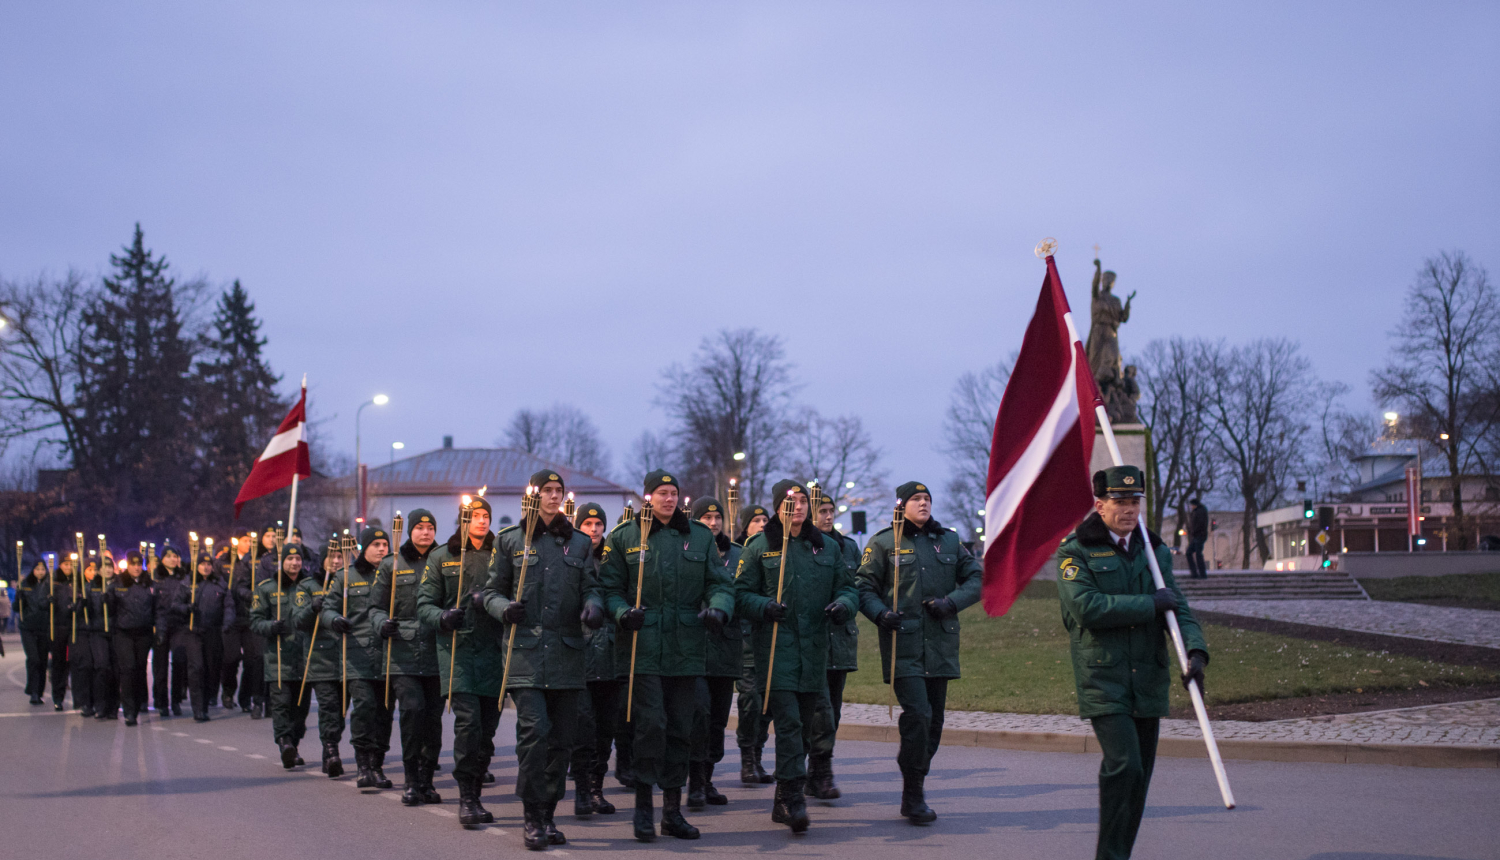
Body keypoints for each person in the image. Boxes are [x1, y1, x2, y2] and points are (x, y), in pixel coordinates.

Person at [1056, 465, 1209, 860]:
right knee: (1124, 766)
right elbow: (1088, 608)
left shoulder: (1154, 551)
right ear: (1100, 505)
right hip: (1103, 677)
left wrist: (1196, 651)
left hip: (1148, 676)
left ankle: (1118, 854)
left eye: (1135, 502)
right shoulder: (1076, 551)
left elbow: (1177, 607)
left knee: (1139, 779)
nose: (1129, 510)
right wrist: (1148, 605)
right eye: (1120, 502)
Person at [600, 469, 734, 842]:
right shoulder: (625, 536)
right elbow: (610, 587)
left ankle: (672, 811)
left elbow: (719, 584)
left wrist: (718, 609)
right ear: (648, 497)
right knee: (650, 727)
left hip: (687, 649)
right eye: (661, 492)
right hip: (642, 650)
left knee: (681, 728)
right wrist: (622, 614)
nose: (669, 498)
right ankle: (644, 806)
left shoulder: (699, 537)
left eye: (673, 492)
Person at [482, 470, 604, 849]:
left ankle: (549, 813)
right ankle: (532, 815)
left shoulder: (579, 544)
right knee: (535, 734)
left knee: (562, 741)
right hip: (526, 657)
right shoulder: (510, 542)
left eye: (559, 491)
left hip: (567, 657)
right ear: (535, 496)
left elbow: (593, 588)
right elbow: (489, 592)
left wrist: (594, 607)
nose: (553, 496)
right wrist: (504, 609)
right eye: (547, 490)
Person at [855, 481, 982, 824]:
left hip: (940, 645)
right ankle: (913, 794)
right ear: (902, 504)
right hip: (903, 647)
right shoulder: (884, 542)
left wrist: (951, 603)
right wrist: (880, 614)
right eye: (916, 499)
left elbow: (977, 579)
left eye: (927, 498)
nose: (924, 503)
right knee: (918, 715)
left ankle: (915, 778)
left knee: (935, 723)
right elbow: (863, 586)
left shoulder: (950, 541)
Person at [735, 479, 858, 832]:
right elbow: (741, 593)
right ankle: (793, 799)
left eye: (804, 501)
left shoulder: (826, 548)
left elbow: (848, 588)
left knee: (805, 728)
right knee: (788, 725)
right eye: (791, 502)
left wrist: (843, 606)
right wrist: (764, 607)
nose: (799, 507)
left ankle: (781, 801)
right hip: (776, 652)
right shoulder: (760, 547)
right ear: (778, 508)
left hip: (814, 652)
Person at [416, 495, 500, 829]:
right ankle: (467, 797)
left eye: (485, 515)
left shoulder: (502, 553)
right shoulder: (442, 556)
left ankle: (477, 789)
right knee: (468, 724)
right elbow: (424, 604)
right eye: (474, 515)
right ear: (463, 520)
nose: (481, 521)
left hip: (495, 651)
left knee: (488, 730)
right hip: (458, 651)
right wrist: (443, 617)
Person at [371, 509, 444, 807]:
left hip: (438, 652)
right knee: (412, 712)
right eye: (420, 528)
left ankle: (427, 780)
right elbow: (375, 607)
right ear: (409, 531)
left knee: (433, 720)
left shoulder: (445, 560)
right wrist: (381, 624)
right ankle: (411, 780)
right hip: (403, 654)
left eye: (430, 527)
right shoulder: (391, 565)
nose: (425, 533)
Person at [320, 525, 395, 790]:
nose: (382, 549)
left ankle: (377, 764)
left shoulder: (395, 574)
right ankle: (363, 765)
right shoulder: (346, 577)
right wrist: (335, 620)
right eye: (376, 545)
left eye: (385, 545)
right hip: (356, 653)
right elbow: (327, 609)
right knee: (364, 708)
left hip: (389, 653)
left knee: (385, 711)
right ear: (364, 548)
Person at [567, 502, 619, 818]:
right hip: (580, 656)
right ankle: (583, 790)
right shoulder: (570, 560)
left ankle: (598, 788)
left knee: (605, 730)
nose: (594, 529)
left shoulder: (614, 562)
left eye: (599, 524)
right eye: (588, 524)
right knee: (583, 727)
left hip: (611, 657)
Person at [687, 496, 738, 809]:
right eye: (706, 517)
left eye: (717, 516)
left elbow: (741, 594)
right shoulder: (688, 552)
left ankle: (707, 778)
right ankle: (693, 782)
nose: (713, 522)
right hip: (695, 649)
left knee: (718, 719)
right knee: (699, 715)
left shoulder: (739, 555)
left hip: (726, 649)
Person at [811, 487, 860, 799]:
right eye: (822, 512)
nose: (828, 517)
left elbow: (856, 589)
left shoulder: (849, 548)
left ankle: (816, 771)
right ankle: (821, 771)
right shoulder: (801, 546)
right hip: (811, 639)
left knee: (834, 712)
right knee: (820, 711)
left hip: (840, 639)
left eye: (831, 512)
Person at [294, 537, 352, 778]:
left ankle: (330, 748)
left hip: (348, 656)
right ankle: (331, 750)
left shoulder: (351, 582)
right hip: (320, 656)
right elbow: (298, 620)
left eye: (340, 557)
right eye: (332, 557)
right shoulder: (307, 586)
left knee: (341, 709)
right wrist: (312, 608)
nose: (337, 561)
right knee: (328, 706)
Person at [249, 544, 311, 769]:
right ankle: (284, 743)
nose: (294, 563)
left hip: (304, 658)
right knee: (281, 705)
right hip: (278, 657)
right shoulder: (266, 588)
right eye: (290, 559)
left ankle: (293, 745)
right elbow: (255, 620)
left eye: (298, 558)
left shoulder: (308, 586)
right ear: (282, 561)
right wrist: (271, 626)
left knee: (300, 709)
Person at [732, 503, 775, 785]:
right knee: (750, 701)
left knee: (767, 703)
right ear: (745, 526)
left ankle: (757, 754)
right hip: (742, 639)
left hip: (767, 637)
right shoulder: (737, 553)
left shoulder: (771, 550)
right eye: (755, 520)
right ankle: (747, 757)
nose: (761, 524)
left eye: (764, 520)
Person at [171, 551, 230, 721]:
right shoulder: (187, 583)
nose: (206, 567)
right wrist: (186, 608)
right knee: (196, 668)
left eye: (209, 564)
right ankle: (197, 708)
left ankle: (205, 704)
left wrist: (227, 623)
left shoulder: (219, 583)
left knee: (211, 668)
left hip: (212, 631)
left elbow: (228, 605)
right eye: (202, 564)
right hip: (193, 631)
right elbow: (175, 605)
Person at [223, 532, 267, 717]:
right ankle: (228, 690)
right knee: (231, 658)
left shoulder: (260, 561)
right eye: (245, 540)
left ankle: (250, 698)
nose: (249, 543)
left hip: (251, 617)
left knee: (254, 659)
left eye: (251, 541)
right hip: (233, 616)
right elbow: (237, 587)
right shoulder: (232, 562)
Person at [109, 551, 155, 726]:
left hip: (143, 632)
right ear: (127, 565)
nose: (136, 567)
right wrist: (108, 600)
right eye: (132, 564)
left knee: (139, 669)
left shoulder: (149, 582)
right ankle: (129, 710)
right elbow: (112, 610)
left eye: (139, 564)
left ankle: (138, 702)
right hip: (123, 632)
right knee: (127, 669)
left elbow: (156, 607)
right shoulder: (118, 583)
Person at [74, 558, 119, 720]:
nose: (107, 570)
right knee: (101, 666)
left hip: (115, 631)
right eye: (104, 567)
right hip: (97, 632)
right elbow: (80, 614)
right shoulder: (90, 587)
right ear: (99, 570)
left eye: (110, 567)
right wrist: (82, 604)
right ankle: (100, 704)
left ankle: (113, 706)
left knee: (115, 670)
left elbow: (122, 608)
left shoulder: (117, 586)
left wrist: (111, 601)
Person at [152, 546, 189, 717]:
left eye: (176, 556)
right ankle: (161, 701)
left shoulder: (184, 578)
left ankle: (176, 700)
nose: (173, 559)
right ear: (162, 559)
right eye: (169, 556)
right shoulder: (155, 578)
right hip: (160, 624)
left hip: (179, 624)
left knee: (180, 661)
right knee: (160, 666)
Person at [16, 560, 53, 706]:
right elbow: (16, 608)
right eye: (37, 569)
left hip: (43, 627)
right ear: (33, 570)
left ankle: (39, 691)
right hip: (28, 627)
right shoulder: (25, 585)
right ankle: (33, 691)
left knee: (42, 660)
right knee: (34, 659)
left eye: (42, 569)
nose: (40, 571)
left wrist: (52, 600)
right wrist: (19, 598)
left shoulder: (49, 585)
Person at [48, 554, 75, 710]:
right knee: (59, 663)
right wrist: (48, 600)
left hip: (74, 627)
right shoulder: (53, 582)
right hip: (58, 627)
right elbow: (44, 603)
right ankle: (58, 696)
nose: (68, 567)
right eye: (65, 564)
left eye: (70, 564)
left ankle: (80, 698)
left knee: (74, 662)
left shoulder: (77, 581)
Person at [1186, 499, 1209, 579]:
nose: (1191, 507)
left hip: (1199, 536)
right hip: (1196, 536)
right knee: (1189, 553)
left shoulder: (1200, 511)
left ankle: (1201, 574)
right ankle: (1195, 573)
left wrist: (1193, 531)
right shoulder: (1196, 512)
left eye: (1191, 505)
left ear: (1194, 505)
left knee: (1198, 554)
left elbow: (1200, 524)